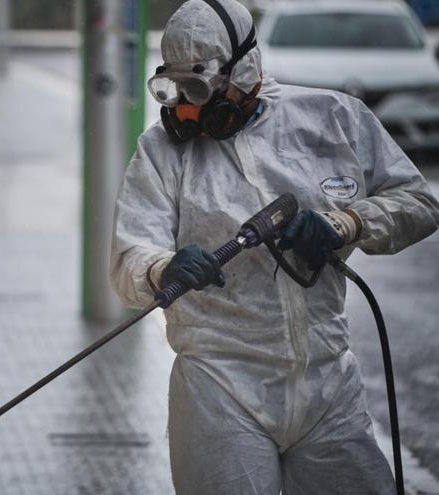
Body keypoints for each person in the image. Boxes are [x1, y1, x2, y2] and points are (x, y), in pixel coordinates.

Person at [109, 0, 439, 493]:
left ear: (244, 69)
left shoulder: (334, 119)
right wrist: (163, 268)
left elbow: (419, 203)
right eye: (174, 90)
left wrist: (348, 222)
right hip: (218, 388)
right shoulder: (161, 151)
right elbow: (129, 259)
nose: (185, 109)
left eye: (198, 89)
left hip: (328, 384)